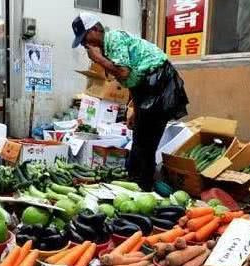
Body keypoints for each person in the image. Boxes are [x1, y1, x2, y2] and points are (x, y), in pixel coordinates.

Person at [71, 13, 189, 190]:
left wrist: (98, 59)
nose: (84, 44)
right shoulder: (107, 46)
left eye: (84, 38)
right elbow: (133, 80)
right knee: (140, 138)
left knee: (146, 142)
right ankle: (134, 182)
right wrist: (134, 108)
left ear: (95, 29)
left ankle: (144, 187)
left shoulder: (115, 39)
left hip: (160, 84)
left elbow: (124, 73)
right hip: (147, 87)